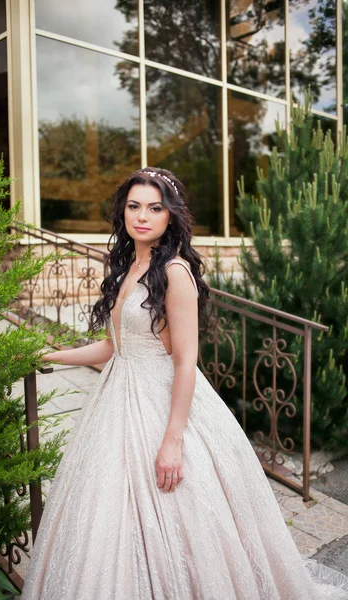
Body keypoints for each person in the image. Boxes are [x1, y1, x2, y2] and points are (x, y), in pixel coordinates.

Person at [21, 168, 348, 599]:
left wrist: (172, 440)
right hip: (117, 398)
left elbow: (186, 360)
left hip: (161, 399)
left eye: (155, 208)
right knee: (110, 515)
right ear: (122, 212)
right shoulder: (127, 265)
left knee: (177, 516)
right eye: (134, 206)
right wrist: (50, 354)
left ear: (170, 217)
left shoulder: (174, 271)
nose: (143, 216)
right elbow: (113, 347)